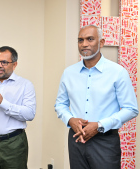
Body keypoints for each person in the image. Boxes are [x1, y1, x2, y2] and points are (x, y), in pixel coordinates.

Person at [55, 25, 138, 169]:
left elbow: (131, 109)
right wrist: (70, 119)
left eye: (90, 39)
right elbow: (60, 104)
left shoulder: (118, 72)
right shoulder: (69, 73)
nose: (84, 44)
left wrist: (99, 125)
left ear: (101, 43)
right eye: (80, 40)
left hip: (105, 141)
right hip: (76, 139)